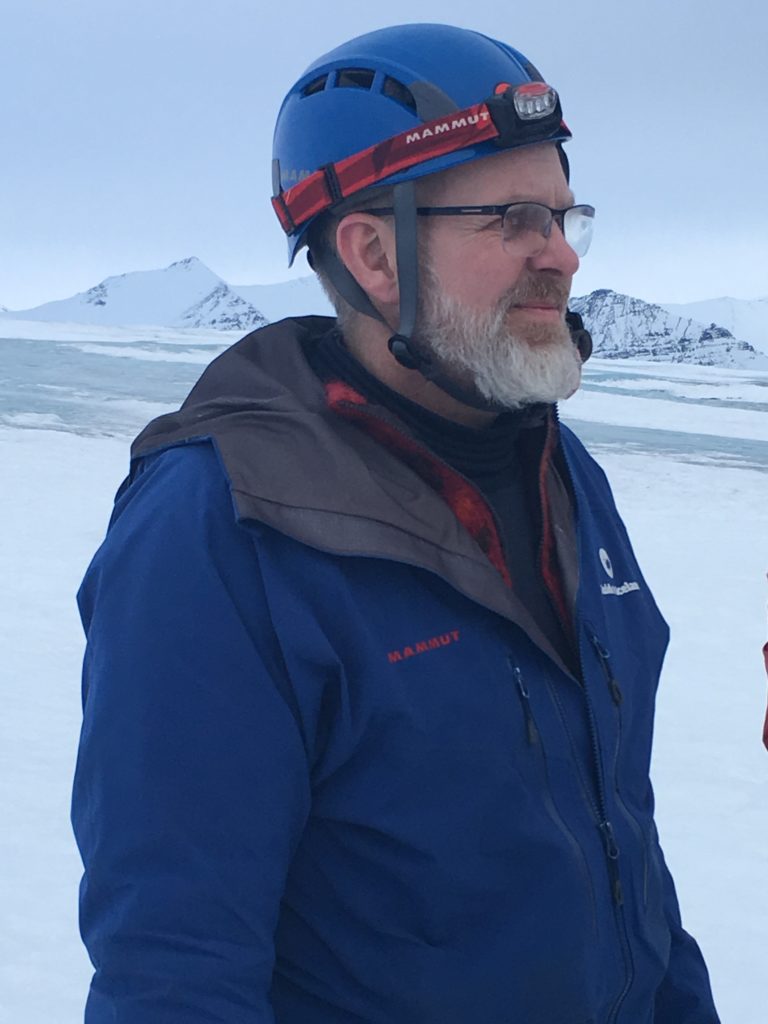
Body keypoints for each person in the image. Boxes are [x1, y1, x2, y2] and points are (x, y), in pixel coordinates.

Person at [72, 23, 721, 1024]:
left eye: (561, 213)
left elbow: (618, 845)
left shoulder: (558, 471)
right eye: (511, 218)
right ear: (374, 254)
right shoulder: (223, 529)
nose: (560, 254)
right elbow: (175, 966)